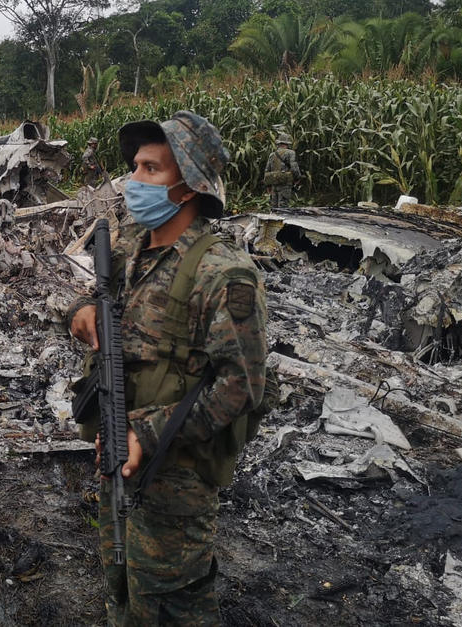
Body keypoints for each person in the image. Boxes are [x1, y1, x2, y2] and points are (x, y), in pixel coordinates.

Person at [68, 111, 268, 625]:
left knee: (171, 602)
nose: (133, 181)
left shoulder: (223, 272)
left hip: (175, 473)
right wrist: (80, 311)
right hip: (115, 447)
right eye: (134, 166)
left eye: (150, 169)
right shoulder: (132, 247)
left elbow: (241, 387)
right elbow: (101, 299)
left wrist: (147, 432)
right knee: (120, 585)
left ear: (189, 187)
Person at [264, 132, 300, 208]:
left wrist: (268, 185)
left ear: (279, 143)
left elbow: (267, 170)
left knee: (274, 206)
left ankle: (273, 219)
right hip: (285, 184)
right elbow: (294, 168)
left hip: (274, 183)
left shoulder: (272, 154)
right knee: (283, 207)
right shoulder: (291, 153)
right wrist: (297, 178)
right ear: (287, 144)